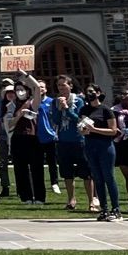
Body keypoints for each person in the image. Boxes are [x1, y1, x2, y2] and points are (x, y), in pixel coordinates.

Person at [51, 75, 92, 213]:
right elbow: (56, 120)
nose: (61, 88)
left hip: (78, 140)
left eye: (64, 85)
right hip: (63, 140)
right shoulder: (55, 102)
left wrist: (67, 108)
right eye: (59, 85)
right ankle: (71, 199)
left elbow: (79, 119)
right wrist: (59, 108)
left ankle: (92, 200)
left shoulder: (79, 101)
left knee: (86, 172)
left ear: (70, 86)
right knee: (67, 173)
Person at [81, 88, 122, 222]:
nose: (90, 94)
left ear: (99, 93)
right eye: (88, 92)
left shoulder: (105, 110)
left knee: (108, 176)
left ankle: (116, 209)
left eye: (92, 91)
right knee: (97, 178)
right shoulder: (84, 110)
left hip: (105, 146)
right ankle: (104, 208)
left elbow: (113, 130)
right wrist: (83, 130)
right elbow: (82, 126)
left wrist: (95, 130)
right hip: (90, 145)